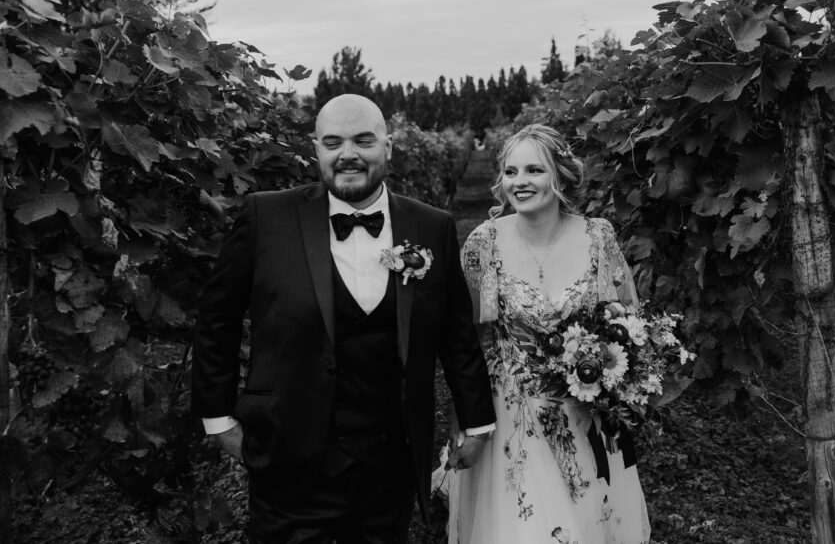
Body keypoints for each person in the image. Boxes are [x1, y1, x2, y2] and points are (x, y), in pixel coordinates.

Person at [191, 94, 496, 544]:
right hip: (287, 457)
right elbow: (218, 318)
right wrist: (218, 419)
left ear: (388, 147)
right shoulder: (266, 215)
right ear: (315, 148)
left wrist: (477, 421)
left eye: (363, 140)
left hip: (388, 461)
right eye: (333, 142)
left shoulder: (432, 225)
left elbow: (456, 334)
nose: (347, 154)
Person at [445, 124, 651, 543]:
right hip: (511, 416)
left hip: (583, 411)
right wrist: (465, 417)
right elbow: (466, 339)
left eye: (534, 170)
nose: (520, 182)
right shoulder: (484, 243)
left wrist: (613, 379)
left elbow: (628, 325)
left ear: (559, 175)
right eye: (510, 171)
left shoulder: (597, 237)